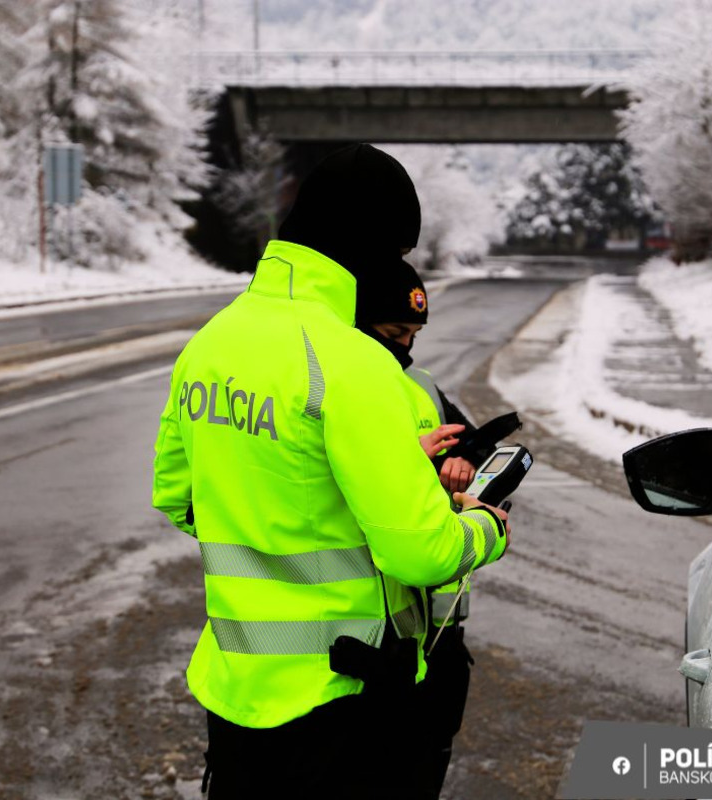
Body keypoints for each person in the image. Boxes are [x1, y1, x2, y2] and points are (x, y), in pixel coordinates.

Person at [151, 144, 513, 799]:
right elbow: (422, 552)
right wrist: (485, 525)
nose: (400, 266)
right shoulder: (352, 365)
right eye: (398, 251)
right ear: (368, 242)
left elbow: (180, 499)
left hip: (235, 692)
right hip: (345, 701)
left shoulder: (211, 344)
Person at [355, 257, 522, 799]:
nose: (405, 348)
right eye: (392, 334)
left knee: (426, 763)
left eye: (414, 334)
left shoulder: (420, 385)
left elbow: (469, 442)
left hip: (441, 627)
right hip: (376, 635)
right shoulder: (347, 388)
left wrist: (467, 464)